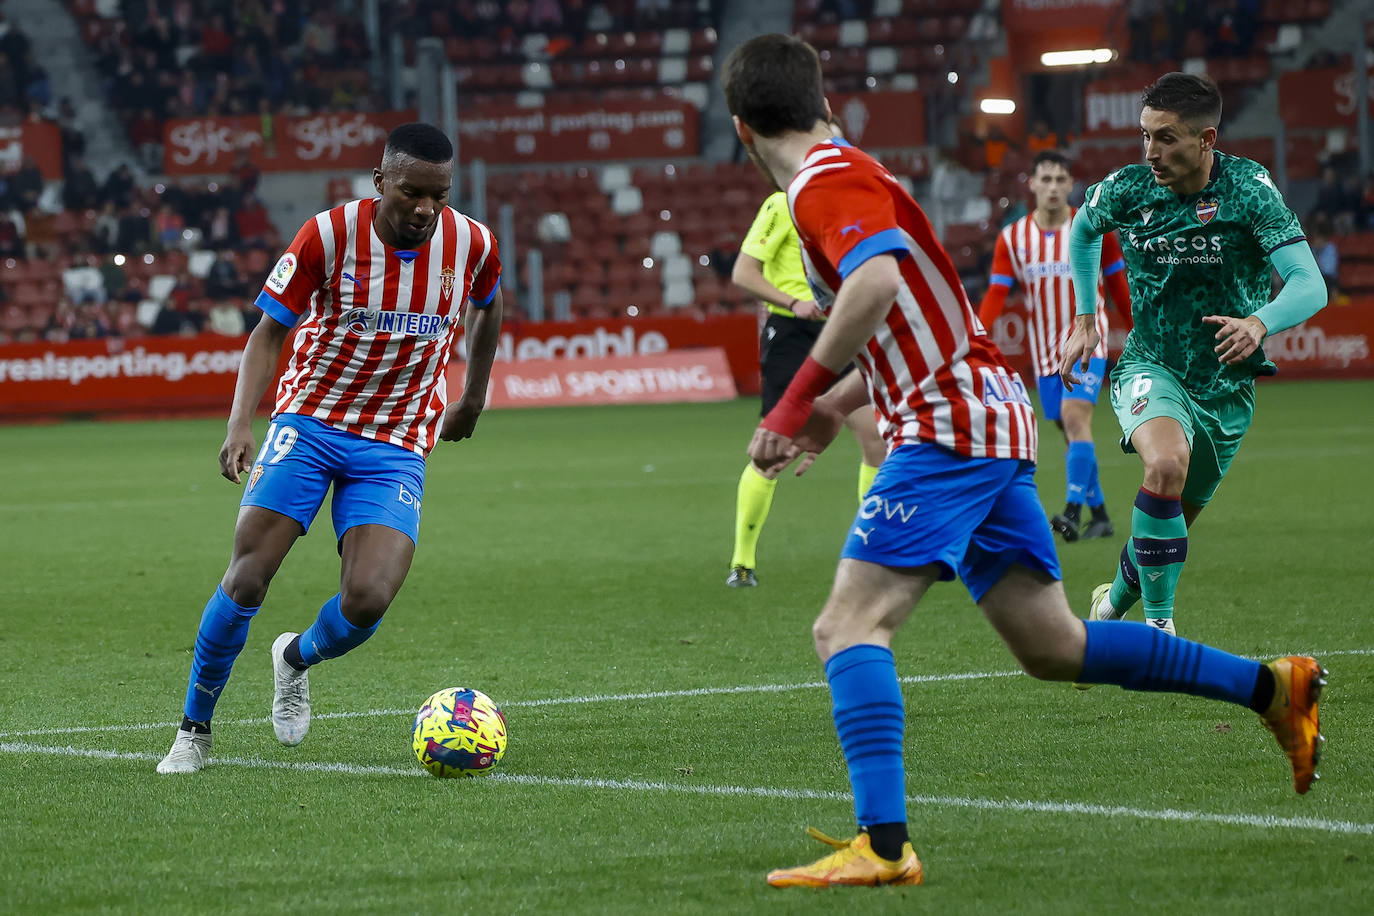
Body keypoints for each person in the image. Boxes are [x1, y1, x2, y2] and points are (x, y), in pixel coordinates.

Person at [720, 34, 1325, 890]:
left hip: (950, 425)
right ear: (824, 104)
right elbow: (918, 318)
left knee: (847, 627)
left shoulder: (824, 182)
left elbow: (877, 287)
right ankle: (1273, 689)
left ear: (742, 127)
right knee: (1054, 647)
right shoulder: (849, 168)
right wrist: (832, 408)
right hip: (987, 411)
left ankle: (884, 848)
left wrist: (789, 403)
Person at [156, 122, 504, 774]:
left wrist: (473, 395)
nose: (427, 209)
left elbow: (490, 305)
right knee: (248, 575)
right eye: (411, 193)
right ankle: (194, 730)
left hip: (397, 438)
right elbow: (267, 334)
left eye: (439, 195)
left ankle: (295, 658)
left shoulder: (472, 243)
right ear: (380, 182)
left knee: (369, 598)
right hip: (311, 421)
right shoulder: (328, 235)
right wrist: (240, 424)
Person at [1061, 72, 1329, 637]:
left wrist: (1259, 322)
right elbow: (1082, 231)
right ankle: (1161, 631)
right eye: (1145, 135)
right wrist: (1087, 316)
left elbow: (1310, 283)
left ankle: (1111, 606)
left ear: (1207, 140)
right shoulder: (1130, 188)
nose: (1150, 151)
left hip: (1227, 392)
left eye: (1167, 138)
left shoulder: (1248, 189)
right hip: (1151, 365)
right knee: (1163, 465)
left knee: (1166, 528)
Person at [727, 176, 886, 588]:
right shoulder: (782, 204)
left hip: (842, 327)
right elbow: (744, 273)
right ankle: (742, 562)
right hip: (793, 332)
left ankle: (872, 552)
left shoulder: (847, 202)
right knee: (773, 450)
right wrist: (793, 302)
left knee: (876, 439)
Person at [979, 150, 1134, 542]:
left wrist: (1138, 329)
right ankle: (1099, 516)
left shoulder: (1094, 228)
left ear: (1070, 184)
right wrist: (976, 338)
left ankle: (1070, 511)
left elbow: (1117, 287)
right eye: (1044, 179)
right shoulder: (1013, 238)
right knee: (1069, 431)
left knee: (1075, 419)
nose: (1052, 187)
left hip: (1086, 342)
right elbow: (997, 294)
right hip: (1044, 352)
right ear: (1031, 184)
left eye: (1059, 179)